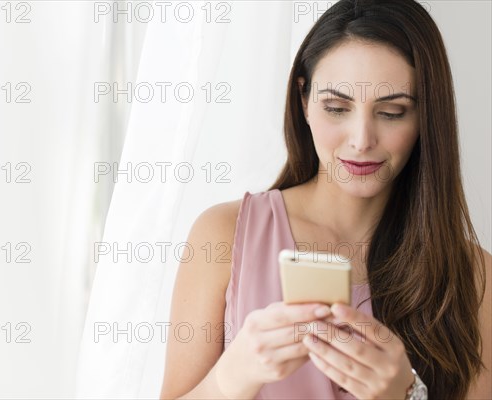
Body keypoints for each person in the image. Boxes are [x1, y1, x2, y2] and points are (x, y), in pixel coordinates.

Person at [160, 0, 491, 399]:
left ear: (426, 117)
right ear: (304, 100)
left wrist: (405, 394)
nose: (361, 140)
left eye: (392, 112)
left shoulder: (475, 277)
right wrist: (234, 373)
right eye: (336, 107)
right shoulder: (223, 235)